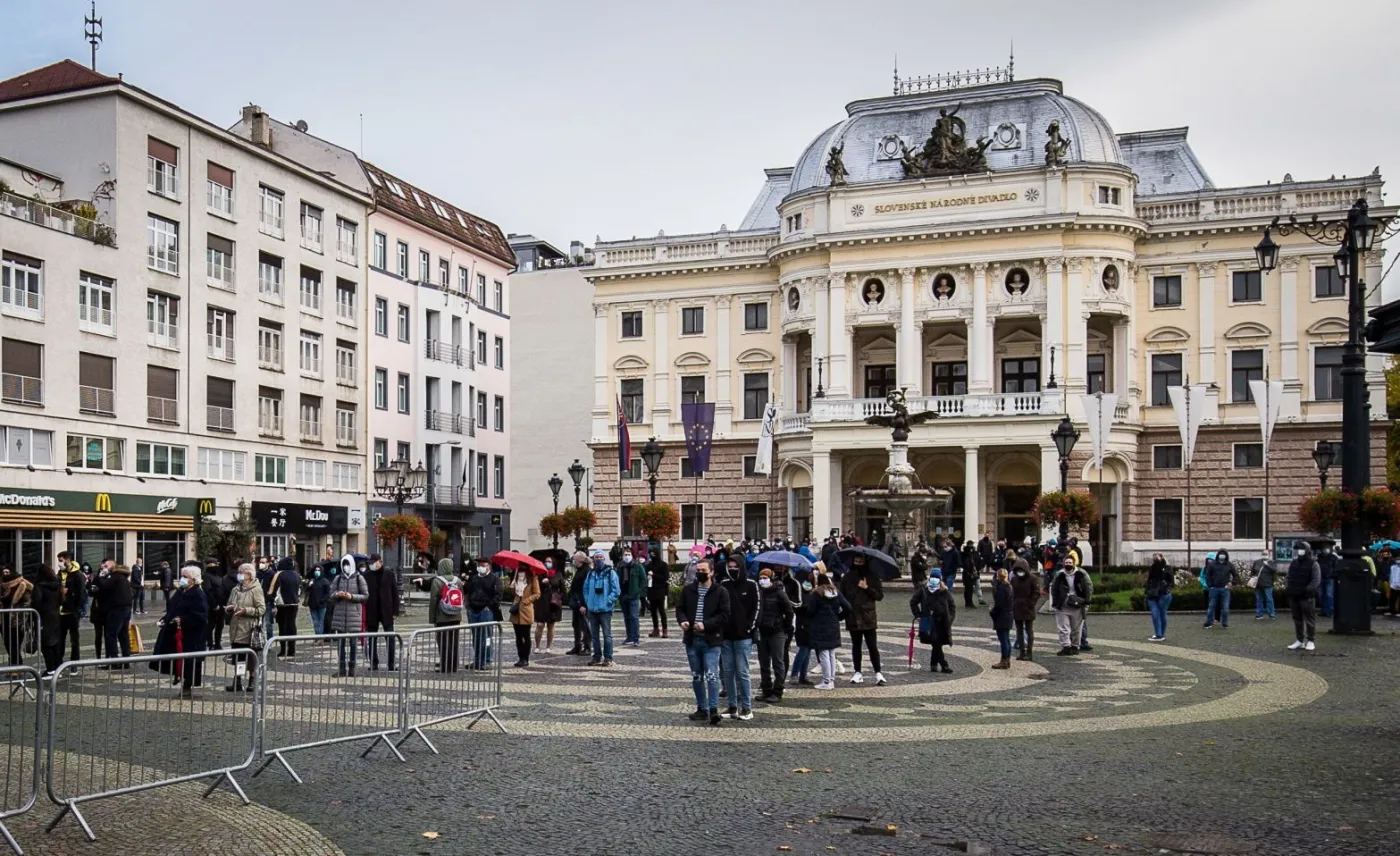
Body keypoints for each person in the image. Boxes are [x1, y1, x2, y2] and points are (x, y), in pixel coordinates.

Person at [677, 559, 730, 725]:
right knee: (697, 676)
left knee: (711, 675)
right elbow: (680, 609)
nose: (699, 572)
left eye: (703, 570)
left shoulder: (720, 591)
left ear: (711, 572)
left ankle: (713, 709)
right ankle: (702, 708)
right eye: (698, 570)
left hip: (711, 640)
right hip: (692, 639)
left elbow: (724, 615)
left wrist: (706, 625)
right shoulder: (688, 590)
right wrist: (683, 621)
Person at [156, 563, 209, 698]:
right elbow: (173, 608)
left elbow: (201, 616)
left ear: (193, 579)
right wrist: (166, 618)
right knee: (176, 656)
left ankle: (188, 684)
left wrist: (182, 620)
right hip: (176, 632)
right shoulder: (180, 591)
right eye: (181, 576)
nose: (182, 579)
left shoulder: (198, 593)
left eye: (185, 577)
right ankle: (177, 675)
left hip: (191, 635)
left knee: (190, 661)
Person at [718, 556, 758, 718]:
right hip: (726, 636)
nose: (732, 569)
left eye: (735, 567)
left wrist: (750, 627)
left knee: (742, 672)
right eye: (730, 567)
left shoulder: (751, 584)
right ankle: (732, 706)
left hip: (743, 636)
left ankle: (747, 707)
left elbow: (757, 608)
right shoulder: (723, 585)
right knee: (728, 672)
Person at [838, 552, 886, 685]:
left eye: (860, 562)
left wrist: (867, 588)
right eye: (856, 562)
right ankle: (857, 672)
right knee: (856, 646)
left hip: (868, 616)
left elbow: (879, 596)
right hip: (853, 616)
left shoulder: (872, 576)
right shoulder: (847, 578)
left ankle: (878, 672)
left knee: (872, 646)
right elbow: (842, 596)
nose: (858, 564)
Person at [754, 568, 794, 705]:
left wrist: (786, 627)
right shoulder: (758, 593)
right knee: (764, 662)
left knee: (778, 662)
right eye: (761, 578)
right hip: (762, 631)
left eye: (765, 578)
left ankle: (778, 691)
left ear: (771, 579)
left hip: (777, 631)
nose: (762, 580)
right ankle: (766, 689)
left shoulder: (779, 593)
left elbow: (789, 611)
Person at [225, 563, 266, 692]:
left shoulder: (256, 589)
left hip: (249, 629)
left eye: (241, 572)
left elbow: (261, 609)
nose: (239, 574)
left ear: (249, 574)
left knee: (250, 657)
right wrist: (229, 608)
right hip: (236, 627)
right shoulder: (236, 589)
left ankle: (252, 680)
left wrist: (246, 610)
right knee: (238, 656)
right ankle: (237, 680)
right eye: (239, 572)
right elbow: (230, 604)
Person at [807, 572, 850, 689]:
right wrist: (838, 617)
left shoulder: (816, 594)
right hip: (833, 625)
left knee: (823, 654)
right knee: (831, 653)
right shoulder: (836, 592)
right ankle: (831, 679)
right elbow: (848, 608)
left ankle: (826, 681)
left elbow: (810, 611)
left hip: (820, 626)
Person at [328, 554, 369, 677]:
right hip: (340, 616)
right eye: (344, 564)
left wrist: (352, 596)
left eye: (347, 564)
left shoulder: (359, 578)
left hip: (354, 616)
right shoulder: (338, 579)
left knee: (353, 644)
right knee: (340, 644)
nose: (345, 566)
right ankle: (341, 668)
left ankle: (352, 669)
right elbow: (330, 595)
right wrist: (337, 595)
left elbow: (365, 595)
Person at [910, 569, 955, 673]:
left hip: (942, 622)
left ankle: (933, 664)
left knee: (937, 643)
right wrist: (919, 615)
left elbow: (952, 606)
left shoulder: (944, 591)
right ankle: (944, 665)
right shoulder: (923, 590)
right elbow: (913, 602)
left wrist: (950, 617)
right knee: (936, 642)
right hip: (929, 621)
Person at [581, 552, 620, 666]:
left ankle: (608, 657)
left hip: (605, 610)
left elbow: (616, 590)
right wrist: (588, 601)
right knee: (595, 636)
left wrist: (609, 600)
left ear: (604, 559)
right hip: (592, 610)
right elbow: (586, 589)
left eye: (601, 557)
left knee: (607, 635)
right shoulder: (590, 574)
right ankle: (596, 656)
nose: (599, 559)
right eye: (597, 557)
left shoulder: (610, 573)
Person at [364, 554, 400, 671]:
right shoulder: (367, 575)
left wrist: (395, 610)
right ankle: (373, 663)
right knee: (372, 638)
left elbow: (395, 593)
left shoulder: (389, 574)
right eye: (370, 563)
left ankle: (391, 663)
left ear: (380, 561)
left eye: (373, 562)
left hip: (386, 610)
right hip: (372, 610)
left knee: (390, 638)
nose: (371, 565)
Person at [1050, 555, 1092, 656]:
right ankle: (1066, 646)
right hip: (1062, 605)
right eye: (1066, 563)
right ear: (1063, 563)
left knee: (1076, 628)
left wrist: (1086, 601)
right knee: (1063, 628)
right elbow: (1054, 589)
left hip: (1078, 605)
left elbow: (1088, 587)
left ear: (1074, 563)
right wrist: (1055, 602)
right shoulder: (1059, 574)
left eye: (1070, 563)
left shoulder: (1081, 574)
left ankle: (1075, 646)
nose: (1068, 565)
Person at [428, 557, 464, 672]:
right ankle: (454, 666)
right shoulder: (457, 580)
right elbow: (461, 596)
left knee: (443, 643)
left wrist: (432, 618)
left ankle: (445, 666)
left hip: (441, 616)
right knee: (454, 642)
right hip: (456, 615)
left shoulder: (437, 581)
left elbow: (433, 600)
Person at [465, 558, 501, 670]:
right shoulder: (474, 578)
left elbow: (498, 595)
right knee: (476, 637)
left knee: (486, 637)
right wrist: (468, 605)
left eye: (483, 565)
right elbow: (467, 591)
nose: (481, 567)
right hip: (473, 610)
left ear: (489, 566)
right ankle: (477, 660)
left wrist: (488, 606)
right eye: (479, 565)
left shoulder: (494, 579)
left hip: (486, 611)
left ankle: (487, 660)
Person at [96, 558, 133, 664]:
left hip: (117, 608)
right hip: (125, 607)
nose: (103, 568)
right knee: (123, 634)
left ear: (112, 566)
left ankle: (114, 660)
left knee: (111, 634)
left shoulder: (115, 576)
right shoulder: (122, 577)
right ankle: (126, 659)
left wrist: (100, 577)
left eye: (106, 566)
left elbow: (104, 586)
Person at [1286, 542, 1321, 651]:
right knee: (1297, 618)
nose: (1300, 551)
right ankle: (1299, 640)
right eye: (1298, 549)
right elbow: (1288, 576)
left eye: (1302, 549)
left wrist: (1306, 590)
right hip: (1294, 595)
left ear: (1307, 550)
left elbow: (1316, 581)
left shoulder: (1313, 564)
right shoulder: (1294, 562)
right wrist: (1289, 587)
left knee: (1309, 619)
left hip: (1307, 596)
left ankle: (1310, 640)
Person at [268, 556, 302, 659]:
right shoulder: (297, 575)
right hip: (294, 604)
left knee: (282, 627)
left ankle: (283, 650)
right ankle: (292, 649)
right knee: (292, 626)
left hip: (282, 604)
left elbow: (274, 590)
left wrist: (272, 600)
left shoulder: (279, 575)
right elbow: (300, 589)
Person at [508, 566, 541, 668]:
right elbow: (514, 594)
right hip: (516, 609)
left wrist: (527, 600)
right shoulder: (515, 577)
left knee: (525, 635)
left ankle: (525, 658)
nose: (520, 570)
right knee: (518, 636)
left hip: (526, 610)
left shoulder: (533, 578)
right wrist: (512, 587)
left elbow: (537, 594)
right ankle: (520, 657)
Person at [32, 564, 62, 676]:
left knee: (46, 644)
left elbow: (37, 602)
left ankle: (50, 669)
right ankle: (57, 667)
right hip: (55, 615)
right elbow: (61, 600)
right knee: (55, 643)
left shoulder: (39, 586)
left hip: (43, 617)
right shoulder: (56, 585)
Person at [1, 565, 33, 666]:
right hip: (3, 619)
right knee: (8, 644)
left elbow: (28, 601)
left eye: (7, 572)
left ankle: (16, 667)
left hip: (17, 619)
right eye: (4, 572)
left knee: (15, 644)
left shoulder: (22, 584)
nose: (5, 574)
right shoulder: (1, 585)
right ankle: (14, 667)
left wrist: (22, 614)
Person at [789, 572, 816, 685]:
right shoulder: (798, 589)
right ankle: (795, 674)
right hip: (802, 622)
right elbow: (797, 606)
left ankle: (803, 675)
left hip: (810, 622)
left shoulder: (812, 588)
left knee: (808, 649)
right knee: (804, 648)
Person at [616, 547, 646, 647]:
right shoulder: (620, 566)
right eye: (625, 554)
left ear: (632, 555)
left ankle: (636, 638)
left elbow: (643, 579)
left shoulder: (637, 565)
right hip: (623, 594)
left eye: (629, 554)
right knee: (627, 617)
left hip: (633, 595)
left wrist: (637, 591)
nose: (627, 556)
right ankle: (629, 637)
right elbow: (616, 579)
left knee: (634, 617)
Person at [1010, 557, 1039, 660]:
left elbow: (1036, 593)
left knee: (1029, 630)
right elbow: (1012, 593)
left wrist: (1030, 604)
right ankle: (1022, 652)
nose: (1020, 572)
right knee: (1019, 631)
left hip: (1028, 608)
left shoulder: (1033, 579)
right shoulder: (1014, 579)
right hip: (1017, 607)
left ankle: (1029, 652)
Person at [533, 558, 564, 654]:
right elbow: (535, 587)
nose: (547, 563)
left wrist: (559, 597)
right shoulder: (540, 573)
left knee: (551, 625)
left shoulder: (558, 574)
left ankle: (548, 646)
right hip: (541, 600)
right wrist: (542, 582)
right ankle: (537, 646)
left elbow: (562, 588)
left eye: (550, 561)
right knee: (540, 624)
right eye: (546, 561)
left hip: (553, 602)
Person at [565, 553, 593, 655]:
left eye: (575, 559)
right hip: (576, 603)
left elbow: (586, 590)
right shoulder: (580, 570)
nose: (574, 561)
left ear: (580, 560)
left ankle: (587, 647)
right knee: (576, 625)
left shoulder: (586, 571)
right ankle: (577, 646)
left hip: (582, 603)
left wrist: (583, 605)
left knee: (584, 626)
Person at [57, 553, 83, 662]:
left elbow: (81, 593)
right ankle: (58, 662)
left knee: (74, 640)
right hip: (60, 611)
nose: (59, 563)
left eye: (61, 560)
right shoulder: (59, 573)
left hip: (72, 612)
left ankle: (74, 663)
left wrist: (70, 592)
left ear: (68, 560)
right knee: (59, 639)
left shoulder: (78, 575)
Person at [1145, 552, 1174, 642]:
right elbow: (1149, 580)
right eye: (1154, 557)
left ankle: (1160, 634)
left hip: (1163, 594)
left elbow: (1171, 581)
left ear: (1162, 557)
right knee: (1155, 613)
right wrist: (1147, 590)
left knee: (1162, 613)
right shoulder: (1153, 568)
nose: (1155, 558)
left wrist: (1166, 589)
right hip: (1152, 593)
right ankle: (1158, 634)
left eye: (1157, 556)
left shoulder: (1167, 568)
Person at [989, 568, 1014, 669]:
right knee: (1006, 639)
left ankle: (1004, 660)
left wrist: (992, 611)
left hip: (1002, 616)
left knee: (1003, 639)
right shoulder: (1009, 587)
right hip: (1008, 615)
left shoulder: (1001, 588)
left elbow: (999, 604)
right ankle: (1007, 660)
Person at [1203, 550, 1234, 629]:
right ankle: (1209, 622)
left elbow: (1236, 576)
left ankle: (1224, 623)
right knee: (1211, 607)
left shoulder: (1229, 565)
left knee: (1225, 607)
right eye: (1220, 554)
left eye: (1223, 554)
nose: (1222, 556)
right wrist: (1210, 586)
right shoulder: (1212, 565)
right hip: (1214, 589)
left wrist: (1231, 583)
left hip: (1225, 589)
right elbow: (1207, 575)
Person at [202, 561, 228, 650]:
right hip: (213, 606)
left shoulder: (218, 576)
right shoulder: (207, 576)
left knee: (220, 625)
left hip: (221, 605)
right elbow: (207, 591)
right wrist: (214, 605)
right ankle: (209, 642)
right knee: (210, 625)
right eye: (214, 565)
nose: (217, 566)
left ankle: (217, 644)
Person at [646, 548, 670, 639]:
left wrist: (654, 575)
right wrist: (648, 577)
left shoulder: (663, 565)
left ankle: (665, 629)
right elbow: (646, 574)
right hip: (651, 589)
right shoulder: (649, 565)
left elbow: (665, 577)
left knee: (661, 611)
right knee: (653, 611)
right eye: (650, 554)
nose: (652, 556)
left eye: (653, 553)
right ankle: (655, 629)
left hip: (660, 589)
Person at [305, 562, 331, 637]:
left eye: (318, 570)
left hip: (321, 605)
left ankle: (320, 637)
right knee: (315, 622)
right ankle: (317, 636)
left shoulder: (325, 581)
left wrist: (322, 600)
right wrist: (309, 585)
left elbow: (327, 593)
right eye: (316, 570)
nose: (317, 571)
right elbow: (306, 590)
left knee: (321, 622)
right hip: (312, 605)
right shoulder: (312, 580)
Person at [1251, 549, 1278, 620]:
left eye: (1266, 554)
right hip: (1258, 584)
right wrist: (1253, 577)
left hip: (1268, 584)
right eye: (1263, 553)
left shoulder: (1272, 562)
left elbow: (1274, 570)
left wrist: (1267, 565)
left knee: (1269, 599)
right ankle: (1259, 614)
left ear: (1269, 555)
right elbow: (1252, 571)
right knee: (1259, 599)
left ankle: (1272, 614)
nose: (1264, 555)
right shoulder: (1256, 562)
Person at [1317, 544, 1338, 617]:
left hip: (1330, 578)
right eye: (1324, 548)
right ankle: (1323, 610)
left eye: (1327, 548)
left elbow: (1336, 567)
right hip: (1320, 578)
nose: (1325, 550)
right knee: (1321, 595)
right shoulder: (1319, 557)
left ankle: (1329, 610)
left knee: (1329, 595)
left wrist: (1333, 575)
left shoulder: (1333, 557)